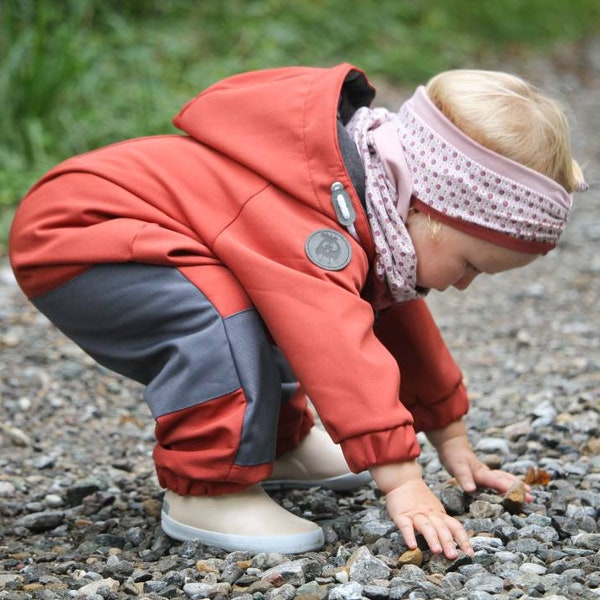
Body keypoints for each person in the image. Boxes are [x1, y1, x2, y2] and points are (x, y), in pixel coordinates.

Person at [9, 64, 586, 558]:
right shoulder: (317, 218)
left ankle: (276, 442)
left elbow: (392, 321)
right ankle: (207, 488)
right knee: (223, 314)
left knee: (273, 297)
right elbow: (337, 344)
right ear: (428, 207)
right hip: (85, 234)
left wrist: (450, 437)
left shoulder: (374, 207)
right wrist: (402, 480)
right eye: (469, 266)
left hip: (127, 231)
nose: (462, 286)